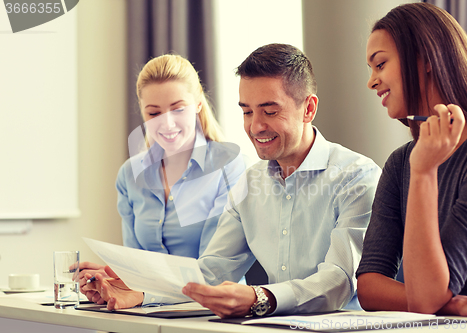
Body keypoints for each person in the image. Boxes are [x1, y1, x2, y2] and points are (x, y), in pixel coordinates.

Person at [85, 43, 381, 317]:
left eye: (269, 111)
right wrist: (136, 291)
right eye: (247, 111)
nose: (255, 126)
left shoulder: (356, 177)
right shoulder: (250, 184)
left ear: (309, 109)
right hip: (271, 326)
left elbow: (340, 279)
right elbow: (210, 272)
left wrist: (261, 297)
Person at [356, 2, 467, 317]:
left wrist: (423, 172)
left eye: (379, 65)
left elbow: (424, 301)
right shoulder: (399, 162)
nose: (371, 81)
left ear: (424, 60)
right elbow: (368, 286)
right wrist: (455, 303)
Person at [77, 54, 246, 304]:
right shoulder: (130, 173)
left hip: (213, 314)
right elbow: (137, 266)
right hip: (150, 311)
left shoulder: (228, 165)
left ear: (198, 103)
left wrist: (143, 293)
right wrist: (114, 278)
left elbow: (215, 273)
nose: (166, 123)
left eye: (178, 109)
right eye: (154, 112)